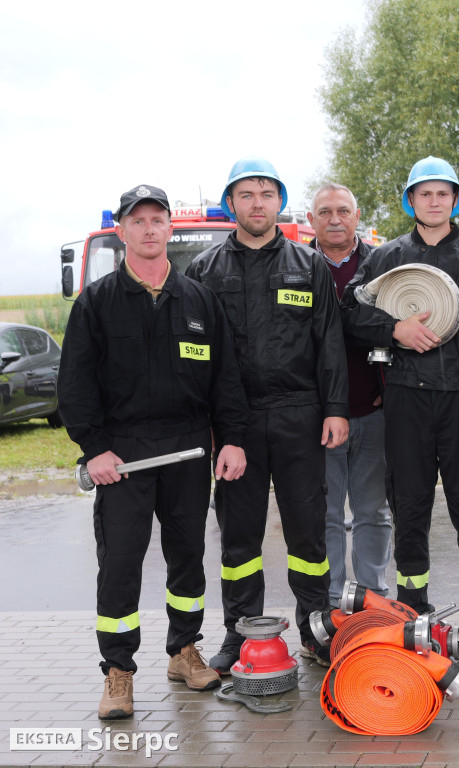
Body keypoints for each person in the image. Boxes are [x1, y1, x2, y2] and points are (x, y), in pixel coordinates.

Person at [58, 184, 249, 719]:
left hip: (189, 449)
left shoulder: (198, 300)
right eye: (137, 221)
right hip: (122, 455)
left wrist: (231, 437)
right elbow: (74, 385)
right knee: (120, 564)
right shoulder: (96, 302)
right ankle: (118, 672)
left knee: (187, 556)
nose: (147, 229)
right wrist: (94, 449)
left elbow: (225, 381)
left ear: (170, 229)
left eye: (156, 219)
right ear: (122, 232)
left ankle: (184, 651)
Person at [341, 156, 459, 655]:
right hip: (406, 400)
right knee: (410, 507)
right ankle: (412, 610)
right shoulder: (385, 259)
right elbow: (351, 312)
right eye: (424, 194)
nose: (434, 202)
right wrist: (393, 329)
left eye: (443, 194)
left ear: (455, 200)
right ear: (411, 201)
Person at [186, 157, 349, 671]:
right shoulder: (204, 271)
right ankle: (239, 637)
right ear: (230, 203)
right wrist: (209, 424)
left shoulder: (309, 264)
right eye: (247, 195)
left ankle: (315, 630)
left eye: (267, 194)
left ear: (280, 202)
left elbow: (330, 344)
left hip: (300, 414)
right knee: (239, 534)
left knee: (308, 533)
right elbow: (194, 353)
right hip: (235, 425)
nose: (258, 204)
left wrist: (336, 409)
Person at [307, 183, 393, 599]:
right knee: (325, 513)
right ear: (311, 220)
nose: (335, 219)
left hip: (374, 411)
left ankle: (374, 597)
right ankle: (332, 602)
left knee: (373, 511)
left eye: (343, 211)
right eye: (325, 212)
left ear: (358, 216)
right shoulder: (296, 266)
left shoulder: (386, 263)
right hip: (318, 417)